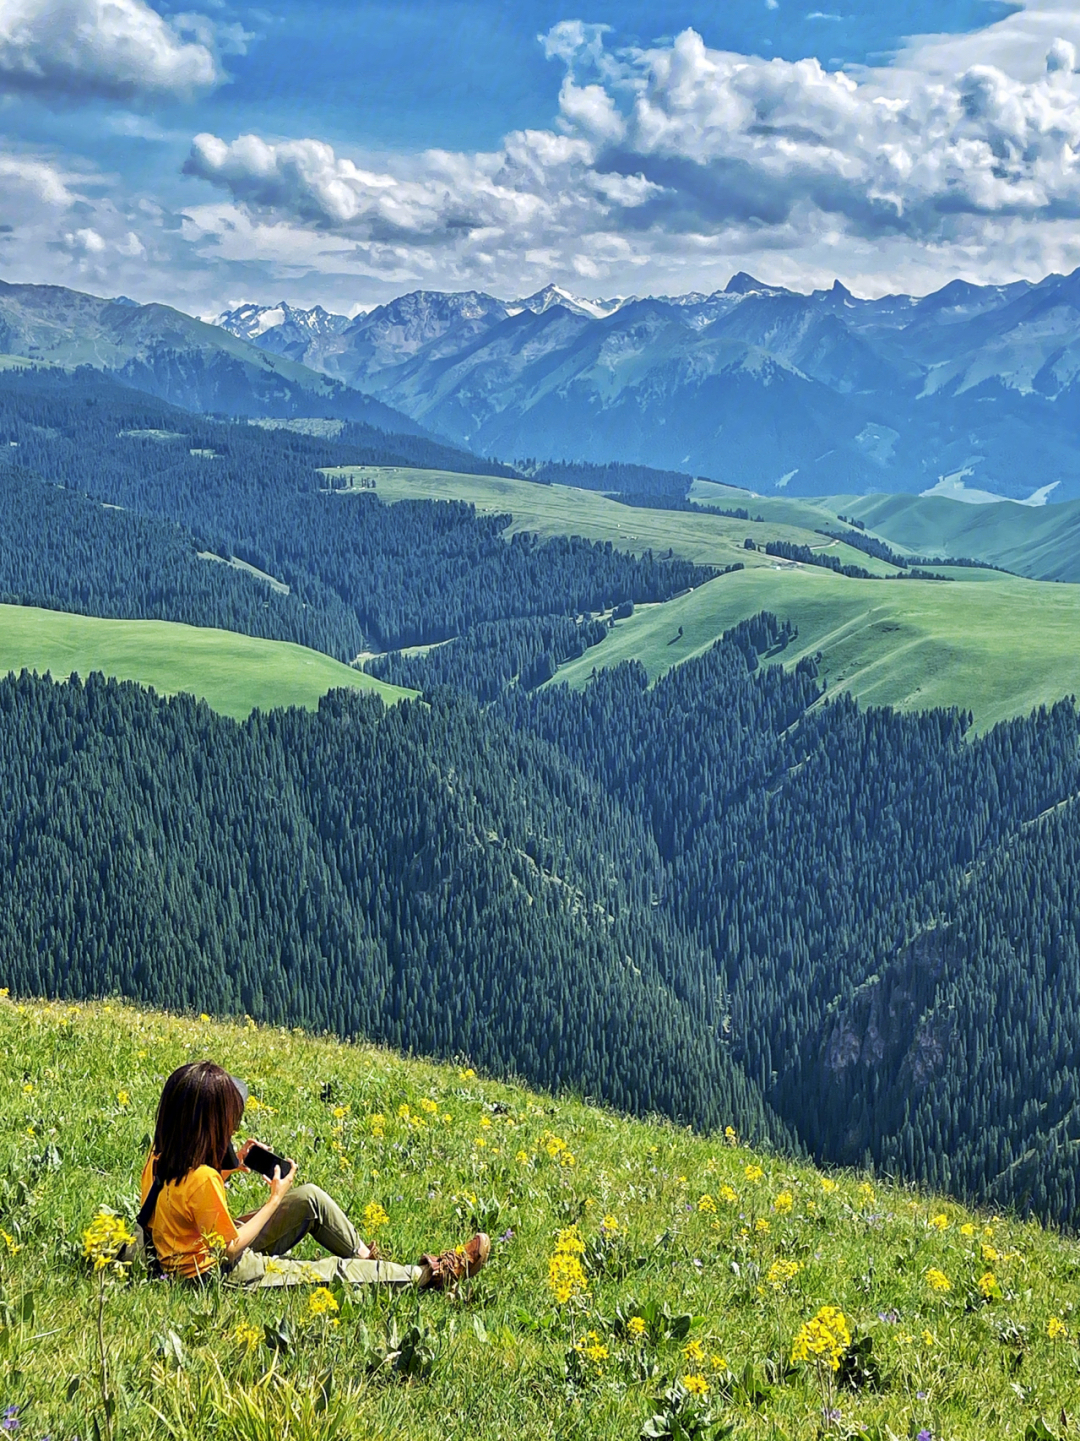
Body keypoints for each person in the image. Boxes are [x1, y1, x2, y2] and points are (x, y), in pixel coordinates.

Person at [139, 1060, 489, 1289]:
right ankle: (430, 1276)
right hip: (215, 1273)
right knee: (330, 1272)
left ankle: (371, 1261)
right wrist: (274, 1200)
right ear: (212, 1124)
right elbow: (229, 1250)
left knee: (308, 1198)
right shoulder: (202, 1178)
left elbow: (190, 1206)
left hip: (187, 1253)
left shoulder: (161, 1156)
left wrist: (234, 1164)